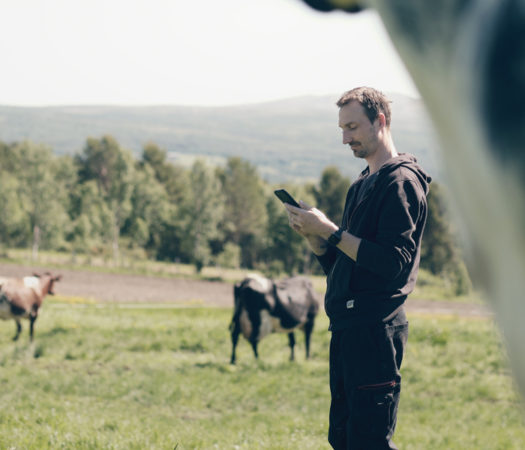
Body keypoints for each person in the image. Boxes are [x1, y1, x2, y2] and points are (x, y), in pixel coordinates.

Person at [285, 86, 431, 449]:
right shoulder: (362, 184)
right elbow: (342, 264)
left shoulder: (401, 183)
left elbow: (393, 264)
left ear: (380, 122)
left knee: (369, 443)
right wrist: (314, 237)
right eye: (341, 129)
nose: (345, 138)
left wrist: (331, 230)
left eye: (352, 127)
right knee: (344, 439)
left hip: (375, 332)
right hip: (347, 329)